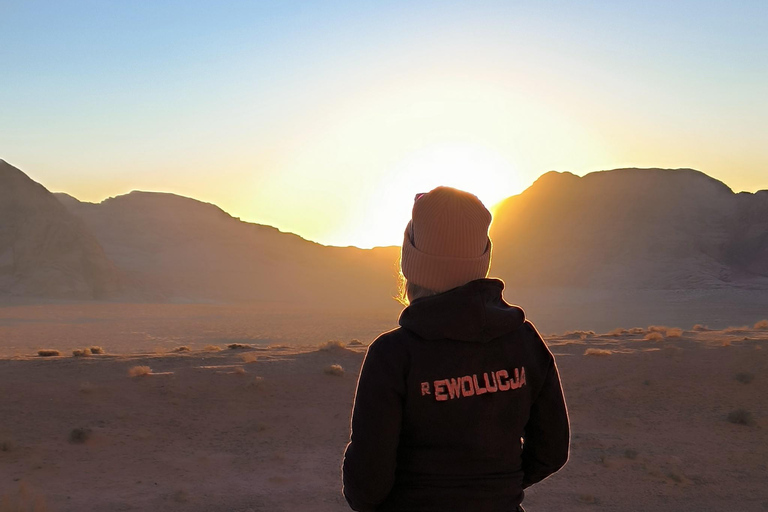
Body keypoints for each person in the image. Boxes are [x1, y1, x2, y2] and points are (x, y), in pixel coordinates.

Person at [341, 186, 570, 512]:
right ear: (482, 260)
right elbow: (551, 451)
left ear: (412, 263)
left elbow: (368, 485)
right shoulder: (523, 341)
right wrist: (493, 490)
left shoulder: (394, 355)